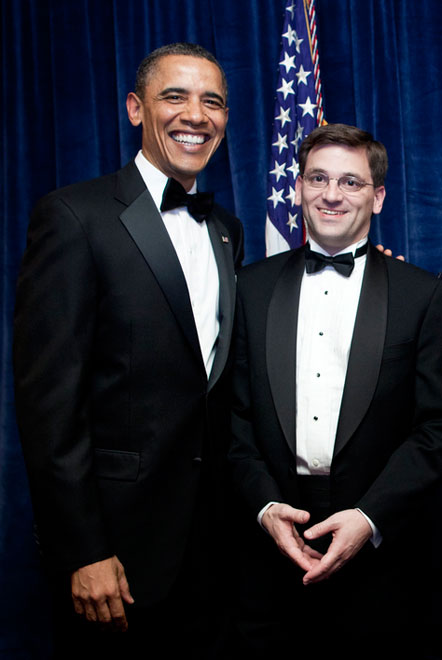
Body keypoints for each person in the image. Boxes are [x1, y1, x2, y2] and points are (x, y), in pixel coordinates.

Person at [13, 43, 243, 658]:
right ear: (135, 108)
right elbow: (48, 405)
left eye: (212, 101)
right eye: (176, 96)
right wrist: (82, 549)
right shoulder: (74, 216)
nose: (196, 114)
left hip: (214, 548)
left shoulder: (227, 230)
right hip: (116, 551)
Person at [228, 124, 442, 659]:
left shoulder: (424, 295)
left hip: (383, 546)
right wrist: (264, 505)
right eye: (318, 178)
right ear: (297, 187)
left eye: (350, 182)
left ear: (378, 196)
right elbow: (233, 419)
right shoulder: (249, 288)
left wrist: (370, 518)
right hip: (270, 544)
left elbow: (435, 427)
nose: (331, 194)